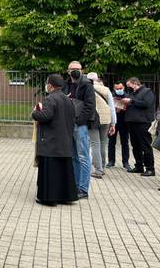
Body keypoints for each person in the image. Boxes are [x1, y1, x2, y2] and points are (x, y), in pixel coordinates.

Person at [32, 74, 78, 206]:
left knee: (50, 172)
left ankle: (49, 198)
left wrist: (35, 112)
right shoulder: (68, 99)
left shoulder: (50, 99)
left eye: (47, 83)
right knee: (64, 171)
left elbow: (45, 116)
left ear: (50, 85)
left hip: (50, 141)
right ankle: (65, 196)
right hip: (65, 140)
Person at [63, 61, 95, 199]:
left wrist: (79, 121)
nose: (75, 71)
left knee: (83, 157)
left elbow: (90, 106)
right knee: (73, 156)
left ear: (82, 70)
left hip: (80, 125)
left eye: (77, 69)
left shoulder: (87, 85)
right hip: (69, 124)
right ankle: (75, 185)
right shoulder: (66, 85)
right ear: (68, 71)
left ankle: (83, 189)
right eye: (72, 69)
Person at [123, 77, 155, 176]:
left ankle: (150, 169)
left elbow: (146, 104)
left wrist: (131, 101)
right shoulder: (132, 93)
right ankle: (139, 166)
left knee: (145, 146)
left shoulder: (147, 92)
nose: (128, 88)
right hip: (132, 123)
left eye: (129, 85)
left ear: (135, 83)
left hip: (142, 123)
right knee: (135, 146)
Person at [87, 73, 116, 179]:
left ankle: (98, 170)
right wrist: (113, 123)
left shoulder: (87, 88)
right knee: (103, 143)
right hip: (106, 119)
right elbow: (112, 107)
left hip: (93, 119)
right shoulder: (106, 90)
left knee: (94, 144)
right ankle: (102, 167)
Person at [108, 82, 131, 170]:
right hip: (113, 122)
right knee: (111, 142)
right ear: (114, 89)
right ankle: (111, 161)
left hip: (124, 122)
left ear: (123, 87)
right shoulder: (110, 96)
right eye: (117, 89)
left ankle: (125, 162)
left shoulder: (128, 96)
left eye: (120, 88)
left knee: (125, 143)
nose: (119, 90)